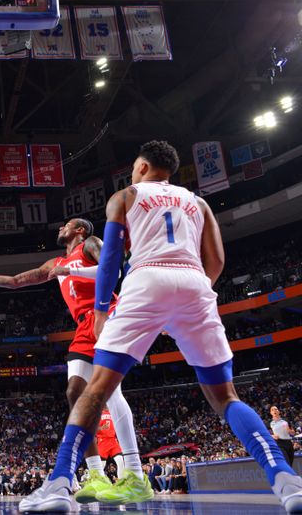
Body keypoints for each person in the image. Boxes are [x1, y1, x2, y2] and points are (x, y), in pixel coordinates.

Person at [19, 140, 302, 512]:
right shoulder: (197, 202)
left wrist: (102, 311)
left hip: (146, 279)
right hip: (194, 281)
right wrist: (187, 306)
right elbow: (215, 261)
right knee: (226, 397)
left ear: (140, 167)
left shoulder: (125, 195)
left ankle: (58, 484)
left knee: (95, 389)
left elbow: (110, 261)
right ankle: (285, 479)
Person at [0, 217, 140, 502]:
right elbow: (17, 281)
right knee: (74, 392)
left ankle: (134, 470)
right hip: (82, 325)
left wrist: (70, 269)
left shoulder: (89, 245)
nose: (60, 228)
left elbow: (113, 269)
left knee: (112, 392)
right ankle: (96, 474)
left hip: (107, 313)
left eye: (66, 225)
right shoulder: (54, 263)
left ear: (79, 230)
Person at [97, 406, 124, 480]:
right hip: (103, 441)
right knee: (101, 466)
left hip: (113, 440)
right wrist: (101, 428)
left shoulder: (113, 413)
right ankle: (97, 484)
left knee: (120, 461)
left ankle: (121, 483)